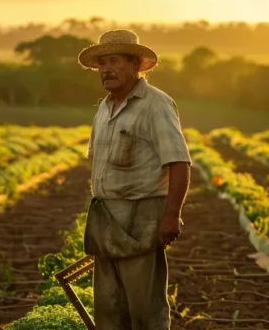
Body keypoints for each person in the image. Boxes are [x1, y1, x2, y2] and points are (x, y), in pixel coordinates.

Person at [77, 29, 191, 330]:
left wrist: (171, 217)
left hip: (141, 223)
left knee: (145, 314)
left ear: (136, 65)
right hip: (105, 223)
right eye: (101, 64)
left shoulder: (156, 104)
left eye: (113, 61)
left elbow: (179, 163)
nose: (106, 70)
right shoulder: (104, 107)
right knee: (109, 312)